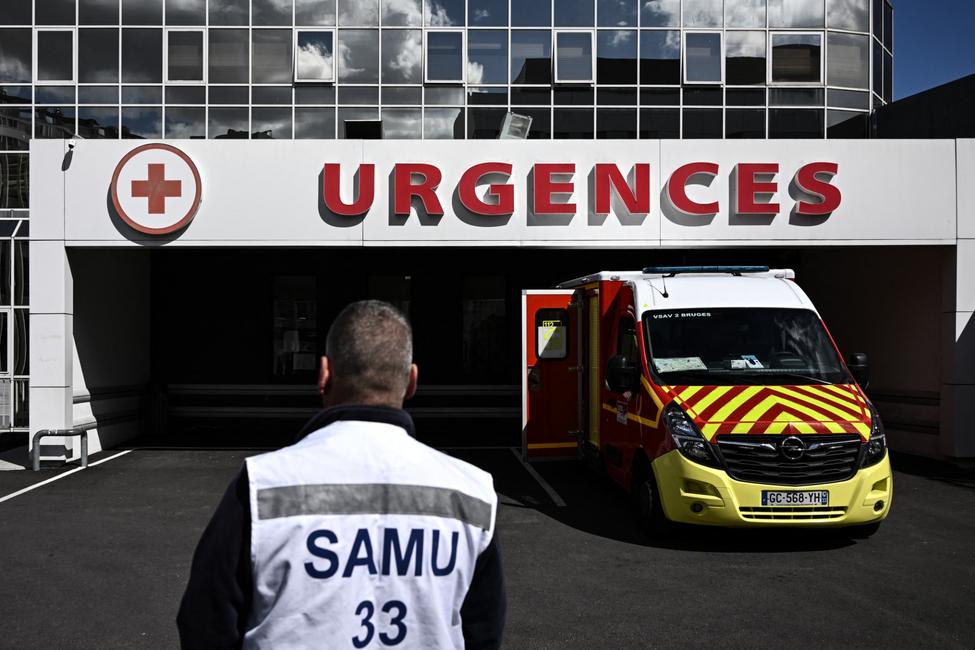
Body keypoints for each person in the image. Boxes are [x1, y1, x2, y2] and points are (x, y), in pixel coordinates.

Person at [177, 300, 506, 649]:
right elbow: (483, 631)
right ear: (411, 381)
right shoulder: (472, 492)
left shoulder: (263, 485)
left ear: (324, 373)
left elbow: (206, 624)